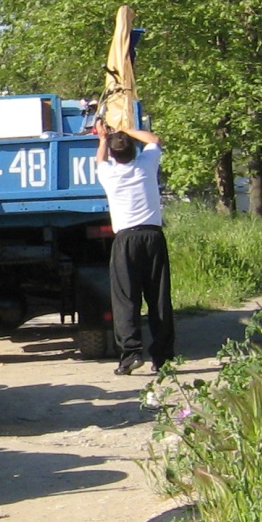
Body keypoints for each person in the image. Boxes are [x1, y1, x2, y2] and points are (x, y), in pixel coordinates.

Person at [94, 120, 175, 375]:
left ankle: (131, 355)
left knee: (125, 300)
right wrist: (125, 129)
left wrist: (104, 138)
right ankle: (162, 358)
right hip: (152, 237)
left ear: (114, 155)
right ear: (133, 149)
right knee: (158, 298)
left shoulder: (108, 174)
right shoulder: (146, 165)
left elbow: (100, 159)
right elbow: (154, 139)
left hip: (125, 240)